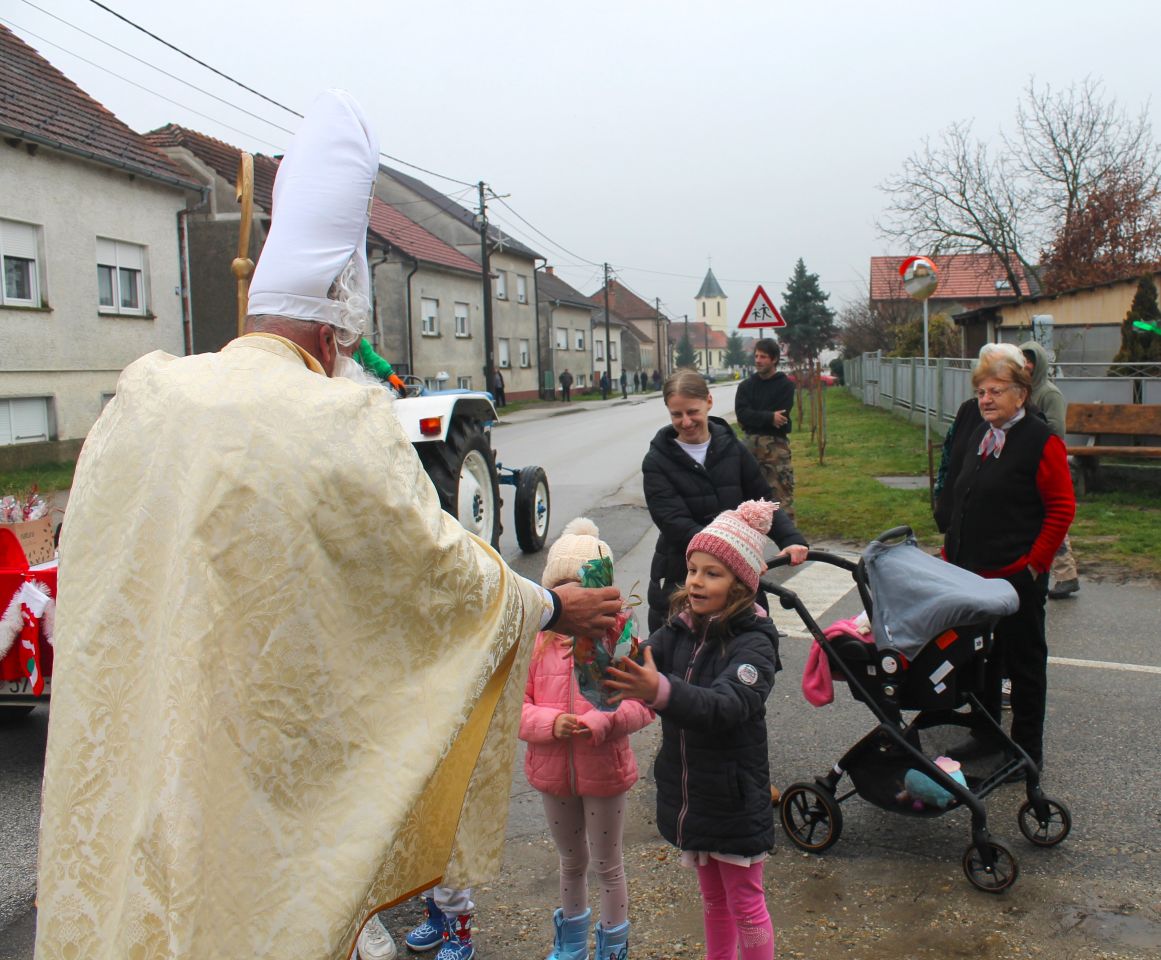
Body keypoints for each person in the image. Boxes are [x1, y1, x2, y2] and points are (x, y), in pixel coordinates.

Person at [33, 90, 622, 960]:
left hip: (142, 741)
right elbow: (434, 575)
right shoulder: (333, 419)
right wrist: (552, 607)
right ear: (331, 331)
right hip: (255, 763)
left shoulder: (145, 396)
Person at [605, 500, 782, 960]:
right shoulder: (681, 628)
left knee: (746, 905)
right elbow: (644, 655)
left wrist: (660, 690)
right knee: (713, 898)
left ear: (740, 584)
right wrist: (609, 641)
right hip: (695, 795)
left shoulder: (754, 643)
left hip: (733, 799)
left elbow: (725, 706)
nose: (696, 582)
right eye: (693, 570)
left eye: (712, 573)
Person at [520, 518, 654, 960]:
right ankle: (571, 943)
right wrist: (550, 722)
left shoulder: (620, 640)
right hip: (552, 776)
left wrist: (604, 722)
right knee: (571, 861)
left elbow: (644, 703)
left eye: (584, 590)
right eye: (563, 593)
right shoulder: (534, 645)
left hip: (604, 774)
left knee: (607, 864)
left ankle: (613, 945)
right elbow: (513, 710)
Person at [943, 348, 1075, 778]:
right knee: (980, 658)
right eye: (981, 391)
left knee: (1024, 663)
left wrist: (1034, 565)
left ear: (1020, 394)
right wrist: (950, 552)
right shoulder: (985, 435)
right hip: (974, 576)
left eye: (996, 391)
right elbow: (966, 498)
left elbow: (1061, 508)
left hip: (1016, 576)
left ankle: (1026, 752)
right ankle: (985, 733)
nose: (986, 399)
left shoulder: (1041, 441)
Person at [642, 369, 808, 632]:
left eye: (692, 412)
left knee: (747, 644)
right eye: (677, 414)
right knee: (682, 651)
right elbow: (674, 522)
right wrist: (735, 552)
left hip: (737, 581)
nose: (686, 421)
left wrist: (791, 539)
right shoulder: (657, 461)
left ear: (709, 401)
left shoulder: (732, 448)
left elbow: (762, 499)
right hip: (684, 578)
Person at [1020, 340, 1080, 600]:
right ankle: (1061, 574)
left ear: (1039, 364)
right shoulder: (1021, 390)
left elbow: (1056, 430)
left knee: (1051, 517)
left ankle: (1066, 575)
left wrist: (1028, 428)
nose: (1026, 365)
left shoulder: (1049, 393)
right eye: (1022, 360)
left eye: (1030, 360)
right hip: (1026, 462)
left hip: (1046, 463)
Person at [734, 338, 797, 522]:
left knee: (781, 496)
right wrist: (769, 417)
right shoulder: (746, 386)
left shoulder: (785, 385)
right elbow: (742, 415)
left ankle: (786, 537)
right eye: (756, 356)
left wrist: (754, 416)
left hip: (776, 448)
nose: (758, 360)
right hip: (749, 447)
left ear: (774, 359)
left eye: (763, 357)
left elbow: (781, 417)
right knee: (748, 498)